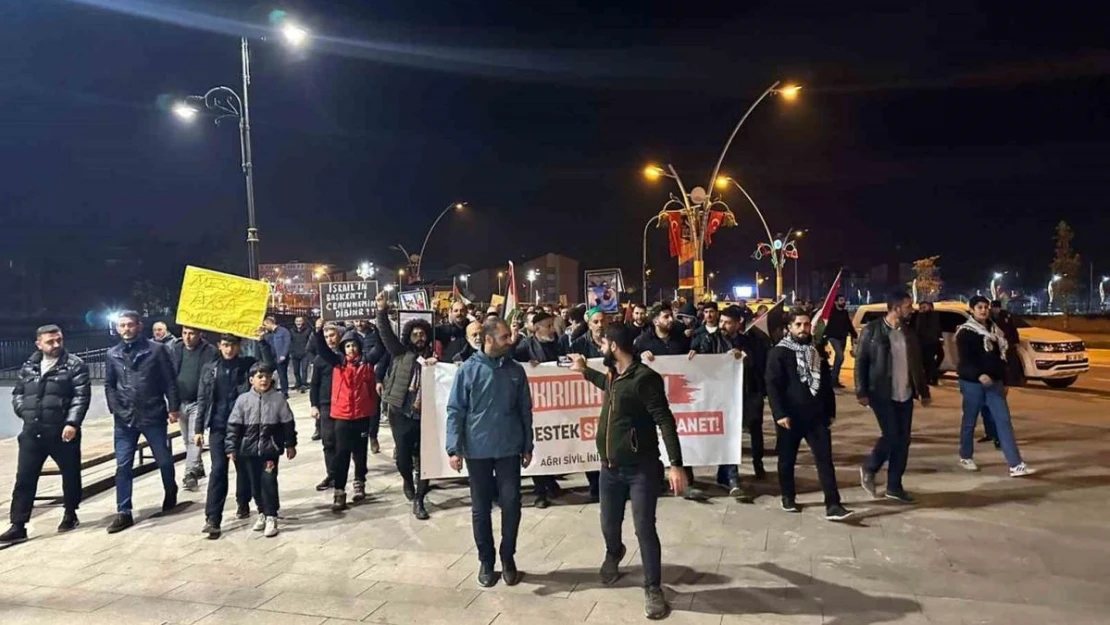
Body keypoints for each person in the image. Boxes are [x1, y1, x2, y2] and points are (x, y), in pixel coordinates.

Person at [570, 323, 687, 621]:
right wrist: (584, 370)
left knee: (644, 528)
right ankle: (614, 552)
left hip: (641, 470)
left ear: (614, 346)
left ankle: (653, 588)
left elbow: (665, 420)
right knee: (609, 524)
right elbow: (607, 385)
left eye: (602, 344)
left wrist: (676, 465)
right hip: (609, 469)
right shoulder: (614, 375)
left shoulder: (645, 379)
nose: (599, 348)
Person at [446, 317, 534, 588]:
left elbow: (525, 410)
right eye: (505, 336)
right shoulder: (468, 371)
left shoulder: (516, 370)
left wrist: (527, 444)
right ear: (488, 339)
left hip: (509, 447)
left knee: (511, 504)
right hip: (477, 449)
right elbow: (455, 410)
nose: (511, 341)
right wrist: (454, 447)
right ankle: (487, 560)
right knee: (480, 508)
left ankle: (508, 557)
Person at [1, 325, 90, 543]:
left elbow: (81, 396)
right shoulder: (30, 365)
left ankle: (70, 513)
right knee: (24, 478)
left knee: (70, 475)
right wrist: (24, 411)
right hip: (32, 432)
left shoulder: (74, 365)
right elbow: (18, 392)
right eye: (50, 342)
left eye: (59, 340)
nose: (56, 345)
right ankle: (18, 524)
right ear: (39, 344)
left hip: (62, 432)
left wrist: (72, 423)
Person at [765, 310, 853, 521]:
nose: (804, 329)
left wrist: (830, 411)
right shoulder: (779, 352)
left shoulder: (815, 351)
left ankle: (833, 504)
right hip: (790, 417)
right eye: (798, 325)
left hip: (817, 416)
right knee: (787, 459)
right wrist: (779, 413)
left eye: (806, 325)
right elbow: (773, 385)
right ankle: (788, 496)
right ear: (789, 328)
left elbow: (824, 384)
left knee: (824, 460)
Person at [104, 311, 182, 534]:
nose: (126, 329)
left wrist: (173, 408)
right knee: (123, 466)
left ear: (139, 326)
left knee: (164, 460)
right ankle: (124, 511)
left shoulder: (156, 350)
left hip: (152, 414)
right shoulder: (112, 354)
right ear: (118, 329)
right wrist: (115, 408)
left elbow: (169, 380)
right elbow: (110, 384)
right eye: (122, 326)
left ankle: (170, 489)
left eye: (130, 325)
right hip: (124, 419)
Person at [195, 333, 274, 539]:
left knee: (247, 469)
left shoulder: (247, 365)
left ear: (239, 346)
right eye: (225, 345)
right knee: (218, 470)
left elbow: (268, 366)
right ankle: (213, 518)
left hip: (244, 426)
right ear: (219, 346)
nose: (228, 349)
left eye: (232, 345)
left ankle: (245, 502)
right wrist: (198, 429)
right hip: (219, 427)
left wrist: (262, 341)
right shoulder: (210, 369)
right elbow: (203, 399)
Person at [855, 291, 931, 504]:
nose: (911, 309)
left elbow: (917, 365)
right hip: (881, 392)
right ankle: (869, 467)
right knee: (891, 435)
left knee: (903, 441)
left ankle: (894, 486)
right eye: (908, 305)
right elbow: (861, 362)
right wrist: (861, 391)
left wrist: (923, 392)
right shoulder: (872, 330)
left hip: (904, 393)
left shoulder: (908, 332)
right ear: (896, 307)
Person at [956, 296, 1035, 477]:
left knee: (1004, 421)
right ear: (972, 310)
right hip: (972, 384)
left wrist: (1005, 380)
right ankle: (965, 456)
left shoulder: (995, 331)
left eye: (986, 307)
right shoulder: (966, 332)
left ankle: (1016, 465)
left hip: (995, 384)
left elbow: (1002, 358)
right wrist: (979, 374)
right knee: (970, 420)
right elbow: (965, 362)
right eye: (979, 307)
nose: (984, 310)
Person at [687, 306, 760, 500]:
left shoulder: (748, 342)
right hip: (715, 396)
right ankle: (724, 476)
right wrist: (696, 355)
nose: (723, 326)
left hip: (737, 396)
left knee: (732, 436)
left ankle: (730, 476)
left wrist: (743, 357)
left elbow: (756, 365)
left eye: (728, 322)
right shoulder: (710, 339)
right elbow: (702, 359)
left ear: (738, 324)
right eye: (722, 322)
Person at [376, 292, 437, 520]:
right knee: (403, 457)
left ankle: (420, 499)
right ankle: (407, 480)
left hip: (426, 416)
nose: (419, 337)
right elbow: (385, 333)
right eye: (415, 334)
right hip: (401, 412)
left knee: (426, 459)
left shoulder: (436, 357)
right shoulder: (400, 353)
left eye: (423, 334)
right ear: (409, 336)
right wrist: (381, 310)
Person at [312, 318, 380, 511]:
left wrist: (376, 327)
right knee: (341, 454)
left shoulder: (367, 363)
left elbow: (382, 347)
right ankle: (339, 491)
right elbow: (322, 350)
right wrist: (318, 331)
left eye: (354, 345)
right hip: (342, 416)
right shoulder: (337, 364)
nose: (351, 349)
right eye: (347, 346)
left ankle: (360, 483)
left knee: (360, 453)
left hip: (361, 416)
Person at [225, 362, 298, 538]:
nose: (264, 380)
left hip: (269, 450)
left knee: (269, 480)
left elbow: (288, 423)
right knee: (255, 484)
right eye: (260, 377)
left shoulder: (278, 399)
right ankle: (262, 513)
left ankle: (272, 514)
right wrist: (231, 447)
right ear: (251, 380)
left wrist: (290, 443)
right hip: (248, 451)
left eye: (266, 376)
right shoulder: (243, 400)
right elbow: (233, 426)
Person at [170, 327, 218, 490]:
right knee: (186, 439)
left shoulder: (209, 351)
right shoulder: (176, 349)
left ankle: (189, 474)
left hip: (199, 401)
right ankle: (197, 466)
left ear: (199, 335)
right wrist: (172, 404)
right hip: (180, 401)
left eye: (191, 334)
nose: (187, 337)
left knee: (194, 437)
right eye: (184, 333)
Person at [310, 323, 343, 492]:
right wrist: (314, 405)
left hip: (344, 404)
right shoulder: (319, 359)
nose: (330, 339)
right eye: (327, 336)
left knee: (344, 442)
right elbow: (314, 384)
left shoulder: (347, 356)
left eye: (332, 335)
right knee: (328, 440)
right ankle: (331, 474)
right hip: (326, 404)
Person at [823, 295, 857, 388]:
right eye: (841, 300)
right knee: (840, 357)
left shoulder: (845, 313)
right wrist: (824, 337)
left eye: (844, 300)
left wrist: (854, 334)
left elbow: (849, 324)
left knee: (838, 359)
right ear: (836, 302)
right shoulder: (831, 313)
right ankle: (833, 379)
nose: (843, 302)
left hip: (843, 338)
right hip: (833, 337)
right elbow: (826, 325)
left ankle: (834, 380)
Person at [262, 316, 292, 398]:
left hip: (281, 357)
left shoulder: (283, 331)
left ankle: (284, 392)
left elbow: (287, 343)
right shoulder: (268, 334)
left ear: (270, 323)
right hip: (272, 358)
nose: (265, 327)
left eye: (265, 325)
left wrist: (283, 355)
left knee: (282, 375)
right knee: (269, 374)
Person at [914, 301, 943, 386]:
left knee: (940, 356)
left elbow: (937, 327)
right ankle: (932, 378)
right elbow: (918, 329)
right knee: (929, 361)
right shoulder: (921, 316)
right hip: (925, 343)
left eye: (924, 307)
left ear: (930, 307)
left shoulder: (935, 315)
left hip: (934, 341)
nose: (922, 309)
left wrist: (940, 337)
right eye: (921, 307)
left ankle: (932, 374)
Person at [289, 316, 313, 393]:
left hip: (305, 354)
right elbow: (290, 342)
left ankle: (304, 384)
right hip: (295, 353)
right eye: (297, 321)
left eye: (300, 321)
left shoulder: (308, 330)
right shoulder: (291, 331)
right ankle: (298, 383)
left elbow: (310, 341)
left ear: (303, 322)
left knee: (304, 370)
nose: (298, 323)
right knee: (296, 370)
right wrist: (291, 351)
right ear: (295, 322)